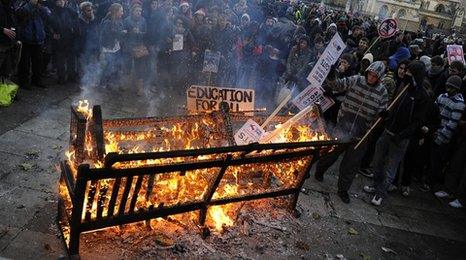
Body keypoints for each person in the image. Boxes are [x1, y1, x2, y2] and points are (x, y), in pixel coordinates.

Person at [314, 61, 388, 204]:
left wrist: (383, 115)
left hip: (362, 132)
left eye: (375, 76)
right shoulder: (357, 80)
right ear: (367, 72)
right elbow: (337, 85)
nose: (371, 78)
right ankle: (320, 169)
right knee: (331, 152)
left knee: (351, 163)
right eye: (370, 74)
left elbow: (381, 112)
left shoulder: (382, 92)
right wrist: (331, 75)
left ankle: (343, 189)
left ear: (379, 78)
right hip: (343, 125)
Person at [363, 61, 430, 206]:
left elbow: (417, 122)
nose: (407, 74)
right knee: (377, 160)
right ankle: (375, 184)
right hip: (388, 131)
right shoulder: (403, 86)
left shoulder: (422, 96)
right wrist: (387, 114)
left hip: (401, 138)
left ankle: (381, 193)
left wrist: (402, 135)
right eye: (407, 70)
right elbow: (394, 104)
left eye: (411, 72)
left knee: (391, 167)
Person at [423, 76, 465, 192]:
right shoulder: (442, 96)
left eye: (451, 87)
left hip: (443, 137)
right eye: (447, 86)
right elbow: (433, 110)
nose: (448, 89)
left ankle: (429, 183)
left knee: (436, 162)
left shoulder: (459, 104)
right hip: (432, 131)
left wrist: (439, 136)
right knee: (428, 157)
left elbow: (452, 124)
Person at [16, 0, 50, 89]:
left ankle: (37, 80)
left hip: (38, 39)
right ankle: (24, 82)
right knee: (25, 63)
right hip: (26, 39)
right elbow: (20, 18)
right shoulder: (24, 7)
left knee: (38, 62)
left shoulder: (41, 8)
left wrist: (41, 7)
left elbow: (48, 16)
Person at [49, 0, 78, 84]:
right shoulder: (53, 12)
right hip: (59, 40)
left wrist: (73, 29)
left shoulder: (70, 10)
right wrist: (53, 33)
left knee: (71, 60)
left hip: (70, 39)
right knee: (60, 60)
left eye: (62, 0)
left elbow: (76, 19)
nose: (61, 2)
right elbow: (50, 24)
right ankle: (61, 78)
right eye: (58, 0)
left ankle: (71, 77)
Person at [99, 3, 126, 88]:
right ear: (115, 11)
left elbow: (119, 32)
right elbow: (107, 36)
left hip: (116, 48)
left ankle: (112, 81)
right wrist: (121, 33)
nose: (122, 13)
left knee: (117, 65)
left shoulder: (119, 20)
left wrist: (122, 33)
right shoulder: (107, 22)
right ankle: (103, 83)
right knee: (109, 66)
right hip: (109, 48)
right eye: (121, 11)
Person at [0, 0, 17, 79]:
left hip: (9, 44)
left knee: (6, 72)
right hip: (1, 44)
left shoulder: (10, 5)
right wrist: (3, 30)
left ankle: (4, 90)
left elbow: (13, 22)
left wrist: (16, 38)